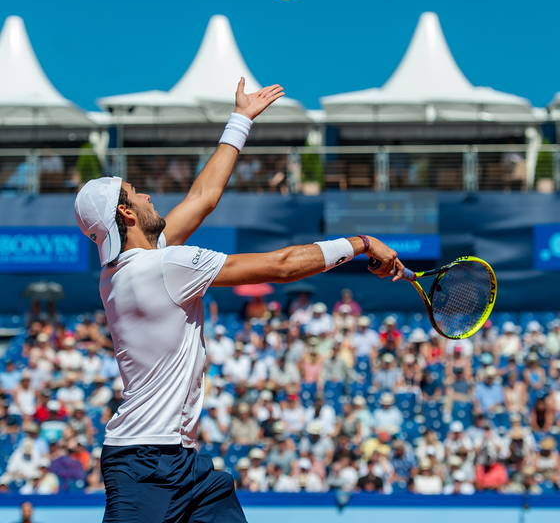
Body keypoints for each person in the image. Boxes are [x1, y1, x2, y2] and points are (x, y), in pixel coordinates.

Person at [74, 78, 405, 523]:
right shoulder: (165, 265)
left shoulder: (124, 270)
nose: (148, 195)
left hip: (181, 464)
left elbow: (204, 198)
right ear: (127, 214)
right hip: (144, 466)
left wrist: (241, 119)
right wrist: (362, 242)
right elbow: (284, 266)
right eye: (137, 193)